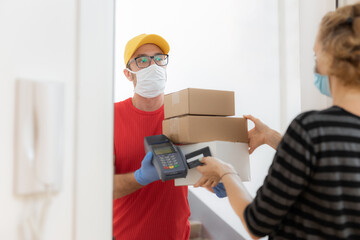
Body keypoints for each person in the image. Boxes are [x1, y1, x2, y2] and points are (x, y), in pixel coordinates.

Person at [194, 3, 360, 239]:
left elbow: (257, 224)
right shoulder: (323, 134)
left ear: (329, 60)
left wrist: (226, 172)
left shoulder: (311, 129)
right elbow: (332, 167)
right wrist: (271, 137)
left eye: (316, 55)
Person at [112, 34, 190, 240]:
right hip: (125, 235)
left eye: (159, 58)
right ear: (128, 74)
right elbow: (102, 188)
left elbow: (195, 170)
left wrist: (218, 181)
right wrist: (139, 177)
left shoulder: (182, 115)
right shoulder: (110, 117)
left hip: (177, 235)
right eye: (143, 60)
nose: (153, 65)